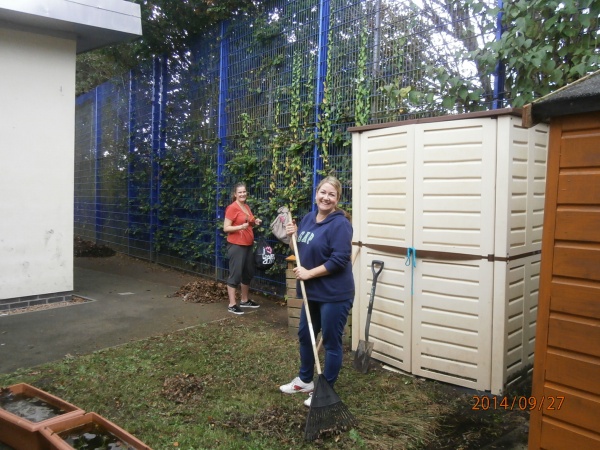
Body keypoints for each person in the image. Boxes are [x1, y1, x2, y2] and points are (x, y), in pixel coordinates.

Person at [279, 176, 354, 407]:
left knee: (331, 342)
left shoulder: (340, 225)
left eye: (332, 194)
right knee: (305, 335)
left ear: (337, 199)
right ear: (316, 193)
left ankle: (325, 389)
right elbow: (299, 250)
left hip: (334, 294)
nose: (326, 198)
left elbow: (339, 260)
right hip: (312, 292)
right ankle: (305, 380)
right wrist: (292, 236)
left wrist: (309, 273)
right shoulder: (309, 218)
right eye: (323, 192)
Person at [223, 182, 262, 314]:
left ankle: (244, 300)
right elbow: (226, 228)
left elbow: (249, 222)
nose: (242, 194)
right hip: (236, 245)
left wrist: (255, 222)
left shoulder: (246, 207)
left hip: (248, 244)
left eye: (244, 192)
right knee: (236, 274)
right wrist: (240, 227)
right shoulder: (232, 208)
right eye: (240, 192)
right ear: (235, 194)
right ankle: (232, 304)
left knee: (248, 272)